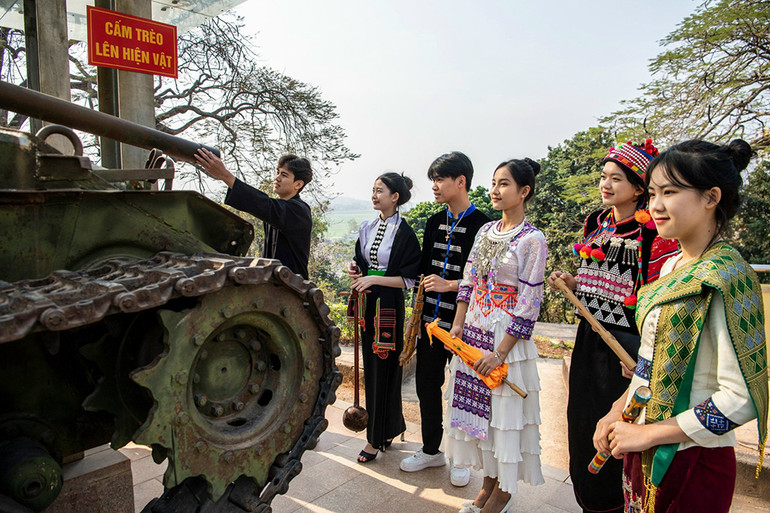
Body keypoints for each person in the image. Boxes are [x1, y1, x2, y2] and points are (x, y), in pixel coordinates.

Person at [593, 139, 767, 513]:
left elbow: (742, 398)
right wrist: (617, 409)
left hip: (693, 459)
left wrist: (648, 433)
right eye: (652, 192)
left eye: (669, 192)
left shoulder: (725, 277)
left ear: (711, 197)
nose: (655, 205)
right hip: (644, 449)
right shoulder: (672, 266)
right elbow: (651, 361)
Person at [546, 141, 677, 513]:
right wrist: (573, 282)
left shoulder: (652, 233)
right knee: (583, 421)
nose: (606, 184)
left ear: (639, 188)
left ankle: (616, 504)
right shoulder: (596, 222)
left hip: (626, 348)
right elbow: (594, 279)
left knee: (617, 432)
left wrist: (641, 353)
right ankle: (588, 499)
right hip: (590, 338)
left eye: (616, 179)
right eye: (604, 176)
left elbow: (655, 296)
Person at [446, 158, 548, 513]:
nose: (494, 190)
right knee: (483, 422)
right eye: (493, 182)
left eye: (504, 184)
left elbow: (529, 303)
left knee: (504, 419)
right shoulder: (486, 230)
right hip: (473, 331)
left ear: (524, 191)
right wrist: (458, 324)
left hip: (506, 340)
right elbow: (469, 280)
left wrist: (501, 354)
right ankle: (487, 486)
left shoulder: (532, 239)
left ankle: (502, 494)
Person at [399, 152, 491, 486]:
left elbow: (487, 278)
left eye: (440, 180)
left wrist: (451, 284)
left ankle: (462, 458)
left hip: (466, 324)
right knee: (427, 384)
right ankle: (430, 450)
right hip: (431, 323)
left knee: (462, 388)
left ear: (460, 181)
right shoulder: (434, 221)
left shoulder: (483, 225)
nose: (435, 187)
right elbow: (424, 266)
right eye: (433, 180)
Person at [348, 172, 421, 463]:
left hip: (388, 305)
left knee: (385, 369)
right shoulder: (367, 227)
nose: (375, 195)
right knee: (373, 368)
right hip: (368, 303)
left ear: (395, 197)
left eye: (381, 191)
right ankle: (389, 428)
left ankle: (375, 439)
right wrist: (358, 271)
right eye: (373, 190)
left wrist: (374, 280)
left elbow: (409, 279)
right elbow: (361, 262)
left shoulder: (405, 232)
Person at [195, 149, 313, 279]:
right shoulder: (281, 207)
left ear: (298, 184)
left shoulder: (299, 211)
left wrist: (225, 175)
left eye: (284, 175)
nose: (277, 178)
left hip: (293, 287)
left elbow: (265, 205)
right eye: (277, 172)